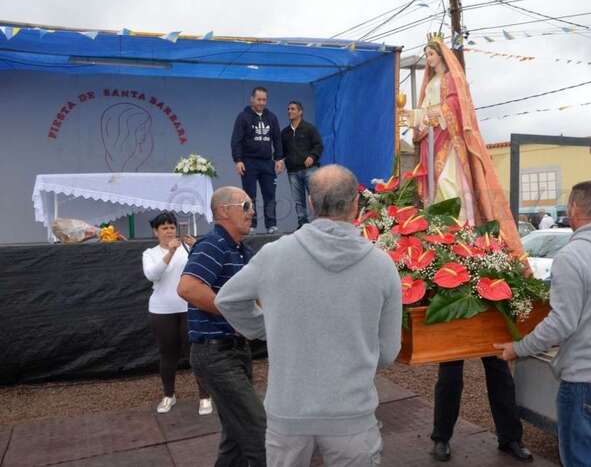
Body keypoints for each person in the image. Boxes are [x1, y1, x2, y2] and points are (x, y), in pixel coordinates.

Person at [215, 165, 402, 467]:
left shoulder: (274, 255)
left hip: (288, 412)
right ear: (356, 203)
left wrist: (267, 328)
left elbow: (228, 299)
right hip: (352, 413)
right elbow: (388, 351)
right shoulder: (381, 266)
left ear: (311, 204)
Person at [403, 36, 533, 462]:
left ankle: (510, 437)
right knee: (450, 367)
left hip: (484, 280)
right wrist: (415, 119)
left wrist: (429, 115)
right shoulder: (428, 86)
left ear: (444, 58)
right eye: (426, 55)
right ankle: (441, 436)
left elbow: (454, 117)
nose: (429, 59)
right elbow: (421, 130)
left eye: (432, 54)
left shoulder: (450, 87)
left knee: (497, 366)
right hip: (455, 280)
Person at [495, 181, 591, 467]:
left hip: (589, 377)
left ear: (574, 209)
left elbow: (560, 324)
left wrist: (518, 348)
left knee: (579, 459)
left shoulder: (571, 257)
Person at [177, 187, 267, 466]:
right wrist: (235, 315)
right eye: (246, 206)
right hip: (216, 354)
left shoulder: (242, 251)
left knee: (236, 437)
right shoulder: (213, 244)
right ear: (224, 211)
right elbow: (188, 288)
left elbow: (255, 297)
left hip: (235, 351)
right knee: (260, 432)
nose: (252, 212)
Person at [141, 211, 211, 415]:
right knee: (167, 354)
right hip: (162, 310)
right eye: (164, 228)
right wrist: (170, 252)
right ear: (156, 232)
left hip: (189, 307)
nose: (169, 231)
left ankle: (205, 396)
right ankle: (169, 395)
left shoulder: (188, 248)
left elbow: (205, 269)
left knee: (195, 353)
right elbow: (152, 275)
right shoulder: (149, 253)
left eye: (172, 227)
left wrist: (197, 247)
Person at [231, 86, 285, 234]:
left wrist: (279, 159)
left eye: (264, 100)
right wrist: (238, 160)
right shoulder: (243, 117)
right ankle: (250, 225)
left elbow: (277, 140)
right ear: (252, 99)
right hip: (249, 162)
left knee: (270, 195)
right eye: (259, 99)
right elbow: (236, 141)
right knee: (249, 196)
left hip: (267, 162)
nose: (261, 102)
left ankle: (271, 225)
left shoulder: (272, 117)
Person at [280, 100, 323, 228]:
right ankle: (303, 224)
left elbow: (318, 145)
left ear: (300, 112)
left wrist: (312, 156)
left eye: (293, 109)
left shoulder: (309, 128)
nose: (289, 111)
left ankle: (320, 223)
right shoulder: (285, 133)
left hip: (310, 170)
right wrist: (279, 160)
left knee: (315, 197)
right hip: (293, 171)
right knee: (298, 201)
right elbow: (281, 151)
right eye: (288, 109)